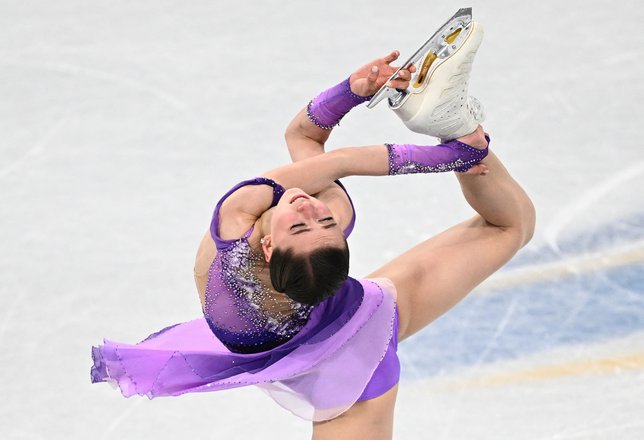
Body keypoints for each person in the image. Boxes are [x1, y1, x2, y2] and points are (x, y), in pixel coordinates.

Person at [91, 18, 535, 440]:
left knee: (511, 227)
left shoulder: (251, 217)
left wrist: (354, 94)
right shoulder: (287, 210)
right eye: (317, 223)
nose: (308, 208)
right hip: (334, 342)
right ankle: (458, 129)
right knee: (506, 224)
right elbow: (331, 158)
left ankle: (454, 121)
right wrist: (452, 154)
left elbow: (307, 140)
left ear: (268, 246)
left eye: (307, 224)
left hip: (349, 335)